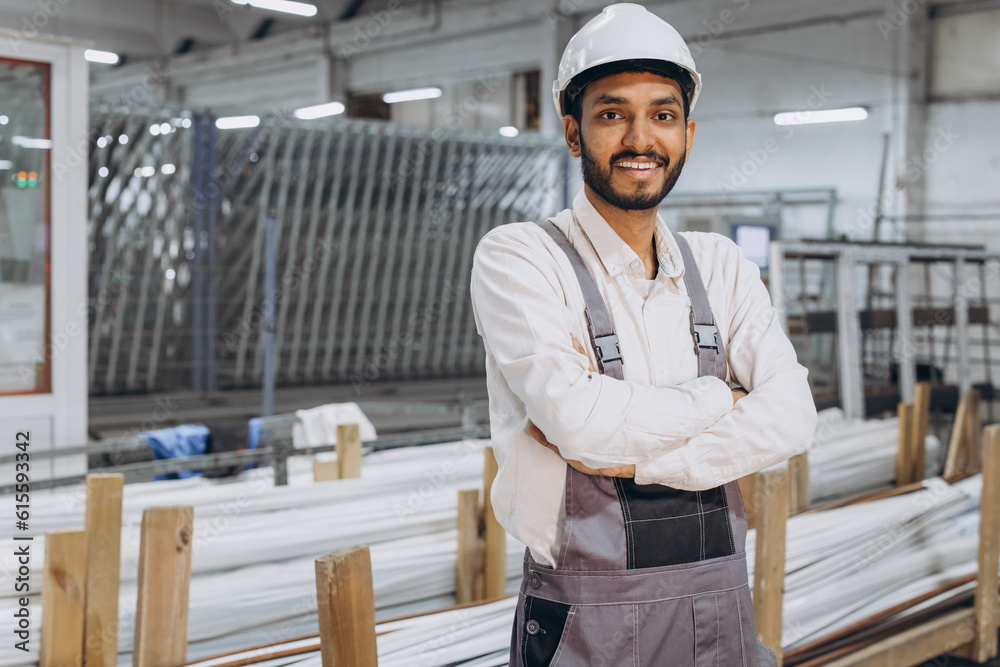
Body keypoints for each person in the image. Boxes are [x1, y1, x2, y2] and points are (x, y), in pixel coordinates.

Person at [469, 3, 817, 665]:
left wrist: (639, 460)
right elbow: (582, 423)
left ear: (687, 131)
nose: (639, 138)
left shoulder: (719, 265)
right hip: (584, 621)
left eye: (661, 114)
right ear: (573, 132)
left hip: (721, 605)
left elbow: (793, 418)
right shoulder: (520, 257)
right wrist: (721, 401)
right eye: (611, 113)